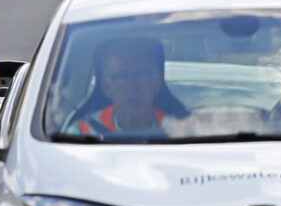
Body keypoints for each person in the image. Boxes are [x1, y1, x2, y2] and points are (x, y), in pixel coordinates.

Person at [59, 38, 190, 142]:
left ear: (157, 83)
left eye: (142, 76)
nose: (131, 87)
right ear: (106, 87)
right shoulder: (81, 133)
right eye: (121, 77)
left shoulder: (180, 132)